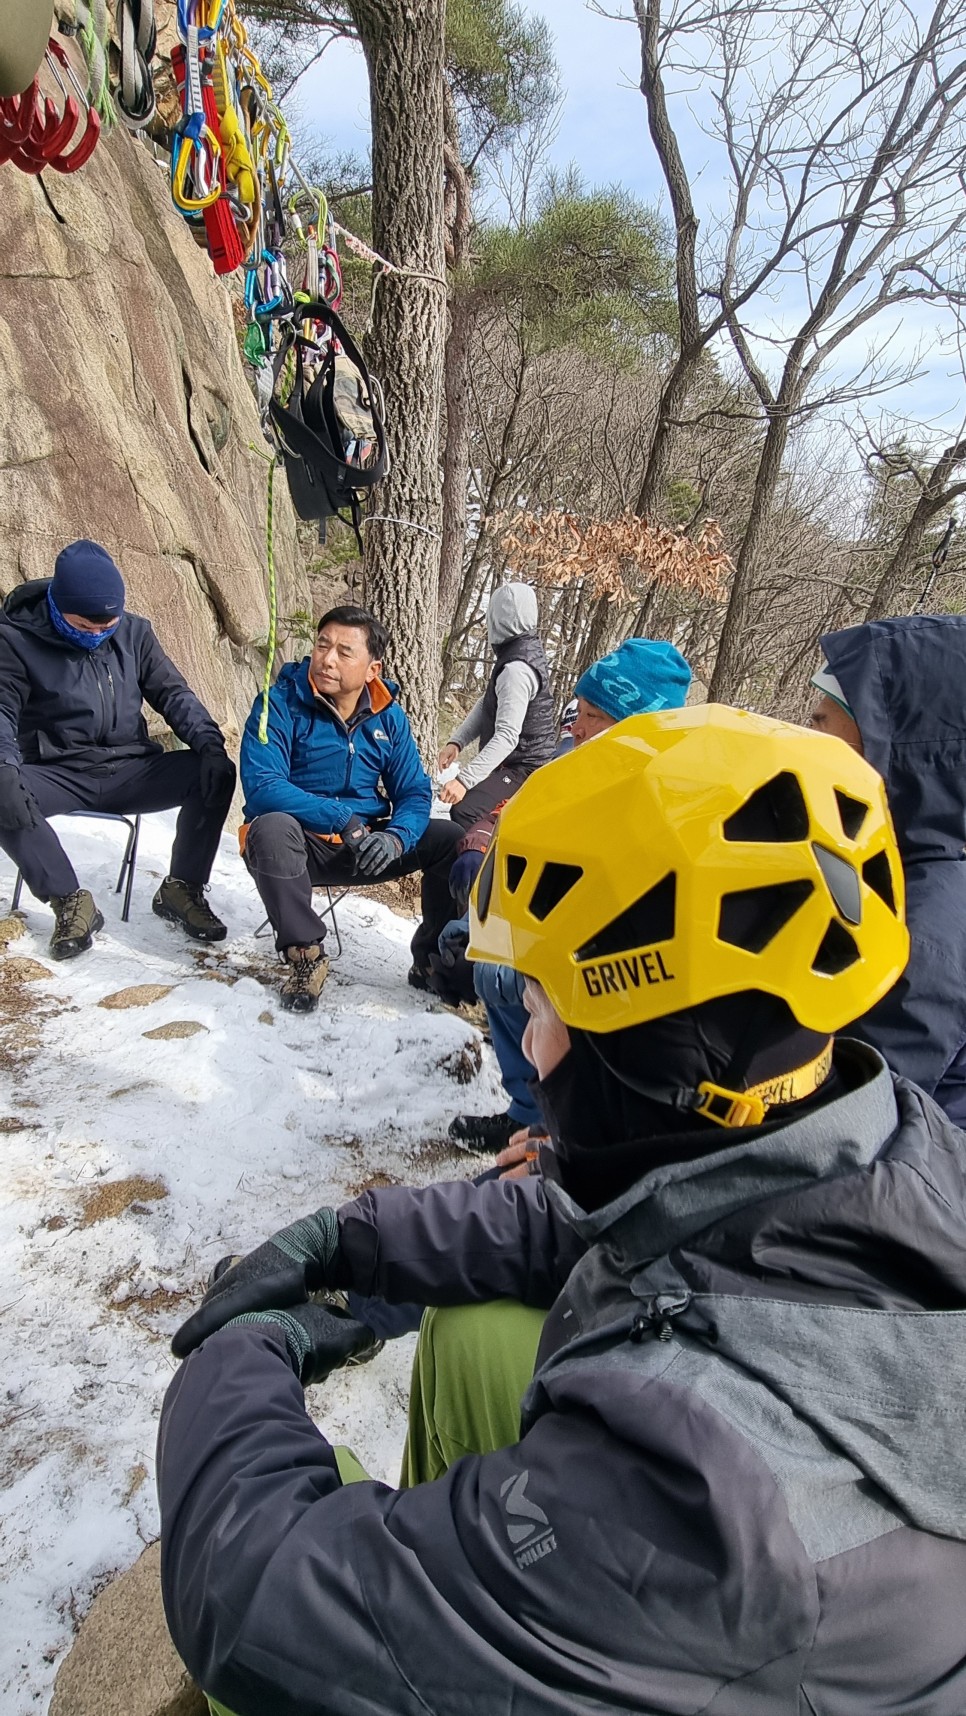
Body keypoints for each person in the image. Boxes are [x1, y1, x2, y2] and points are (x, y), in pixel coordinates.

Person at [159, 705, 966, 1716]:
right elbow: (640, 1219)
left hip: (743, 1568)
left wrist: (233, 1355)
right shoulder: (878, 1128)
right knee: (472, 1330)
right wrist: (354, 1242)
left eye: (539, 1010)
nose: (529, 1051)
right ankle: (487, 1594)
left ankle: (483, 1619)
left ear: (649, 1057)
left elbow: (254, 1604)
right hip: (781, 1573)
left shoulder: (695, 1512)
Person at [448, 636, 692, 1152]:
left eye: (596, 716)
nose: (576, 727)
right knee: (487, 955)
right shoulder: (583, 769)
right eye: (578, 711)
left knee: (509, 972)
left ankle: (558, 1124)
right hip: (577, 941)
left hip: (639, 974)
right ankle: (529, 1112)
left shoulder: (671, 800)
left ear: (640, 725)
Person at [0, 539, 235, 958]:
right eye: (84, 627)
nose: (96, 634)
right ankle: (69, 901)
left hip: (131, 769)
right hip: (59, 772)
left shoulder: (134, 632)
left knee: (212, 770)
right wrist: (4, 765)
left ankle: (182, 890)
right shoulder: (15, 641)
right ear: (57, 606)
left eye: (105, 626)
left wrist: (209, 743)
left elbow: (174, 694)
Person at [239, 604, 459, 1013]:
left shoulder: (388, 717)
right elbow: (263, 787)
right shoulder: (279, 703)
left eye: (344, 651)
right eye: (322, 644)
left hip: (368, 847)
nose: (327, 658)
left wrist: (396, 838)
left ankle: (433, 962)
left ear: (371, 670)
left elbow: (413, 791)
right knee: (268, 826)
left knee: (451, 841)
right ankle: (306, 957)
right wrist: (339, 817)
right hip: (302, 846)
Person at [809, 613, 966, 1124]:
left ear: (891, 748)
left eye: (821, 723)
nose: (807, 742)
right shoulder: (900, 870)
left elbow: (834, 1122)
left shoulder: (926, 928)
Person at [436, 582, 555, 830]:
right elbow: (489, 702)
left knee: (466, 811)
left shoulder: (516, 670)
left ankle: (477, 867)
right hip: (517, 763)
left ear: (496, 620)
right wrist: (457, 742)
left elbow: (507, 736)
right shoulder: (521, 652)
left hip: (527, 769)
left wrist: (463, 781)